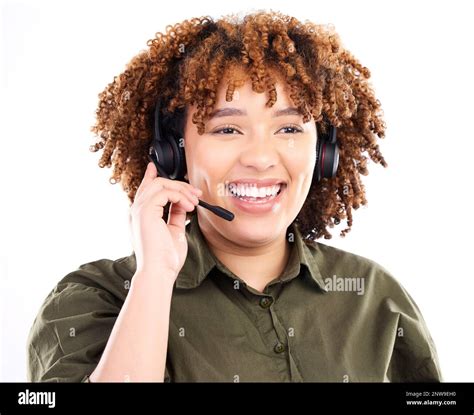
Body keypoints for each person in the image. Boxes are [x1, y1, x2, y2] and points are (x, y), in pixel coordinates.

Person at [27, 10, 442, 382]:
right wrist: (154, 278)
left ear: (324, 153)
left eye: (289, 128)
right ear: (173, 152)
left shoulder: (375, 296)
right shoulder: (95, 299)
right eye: (227, 129)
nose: (261, 158)